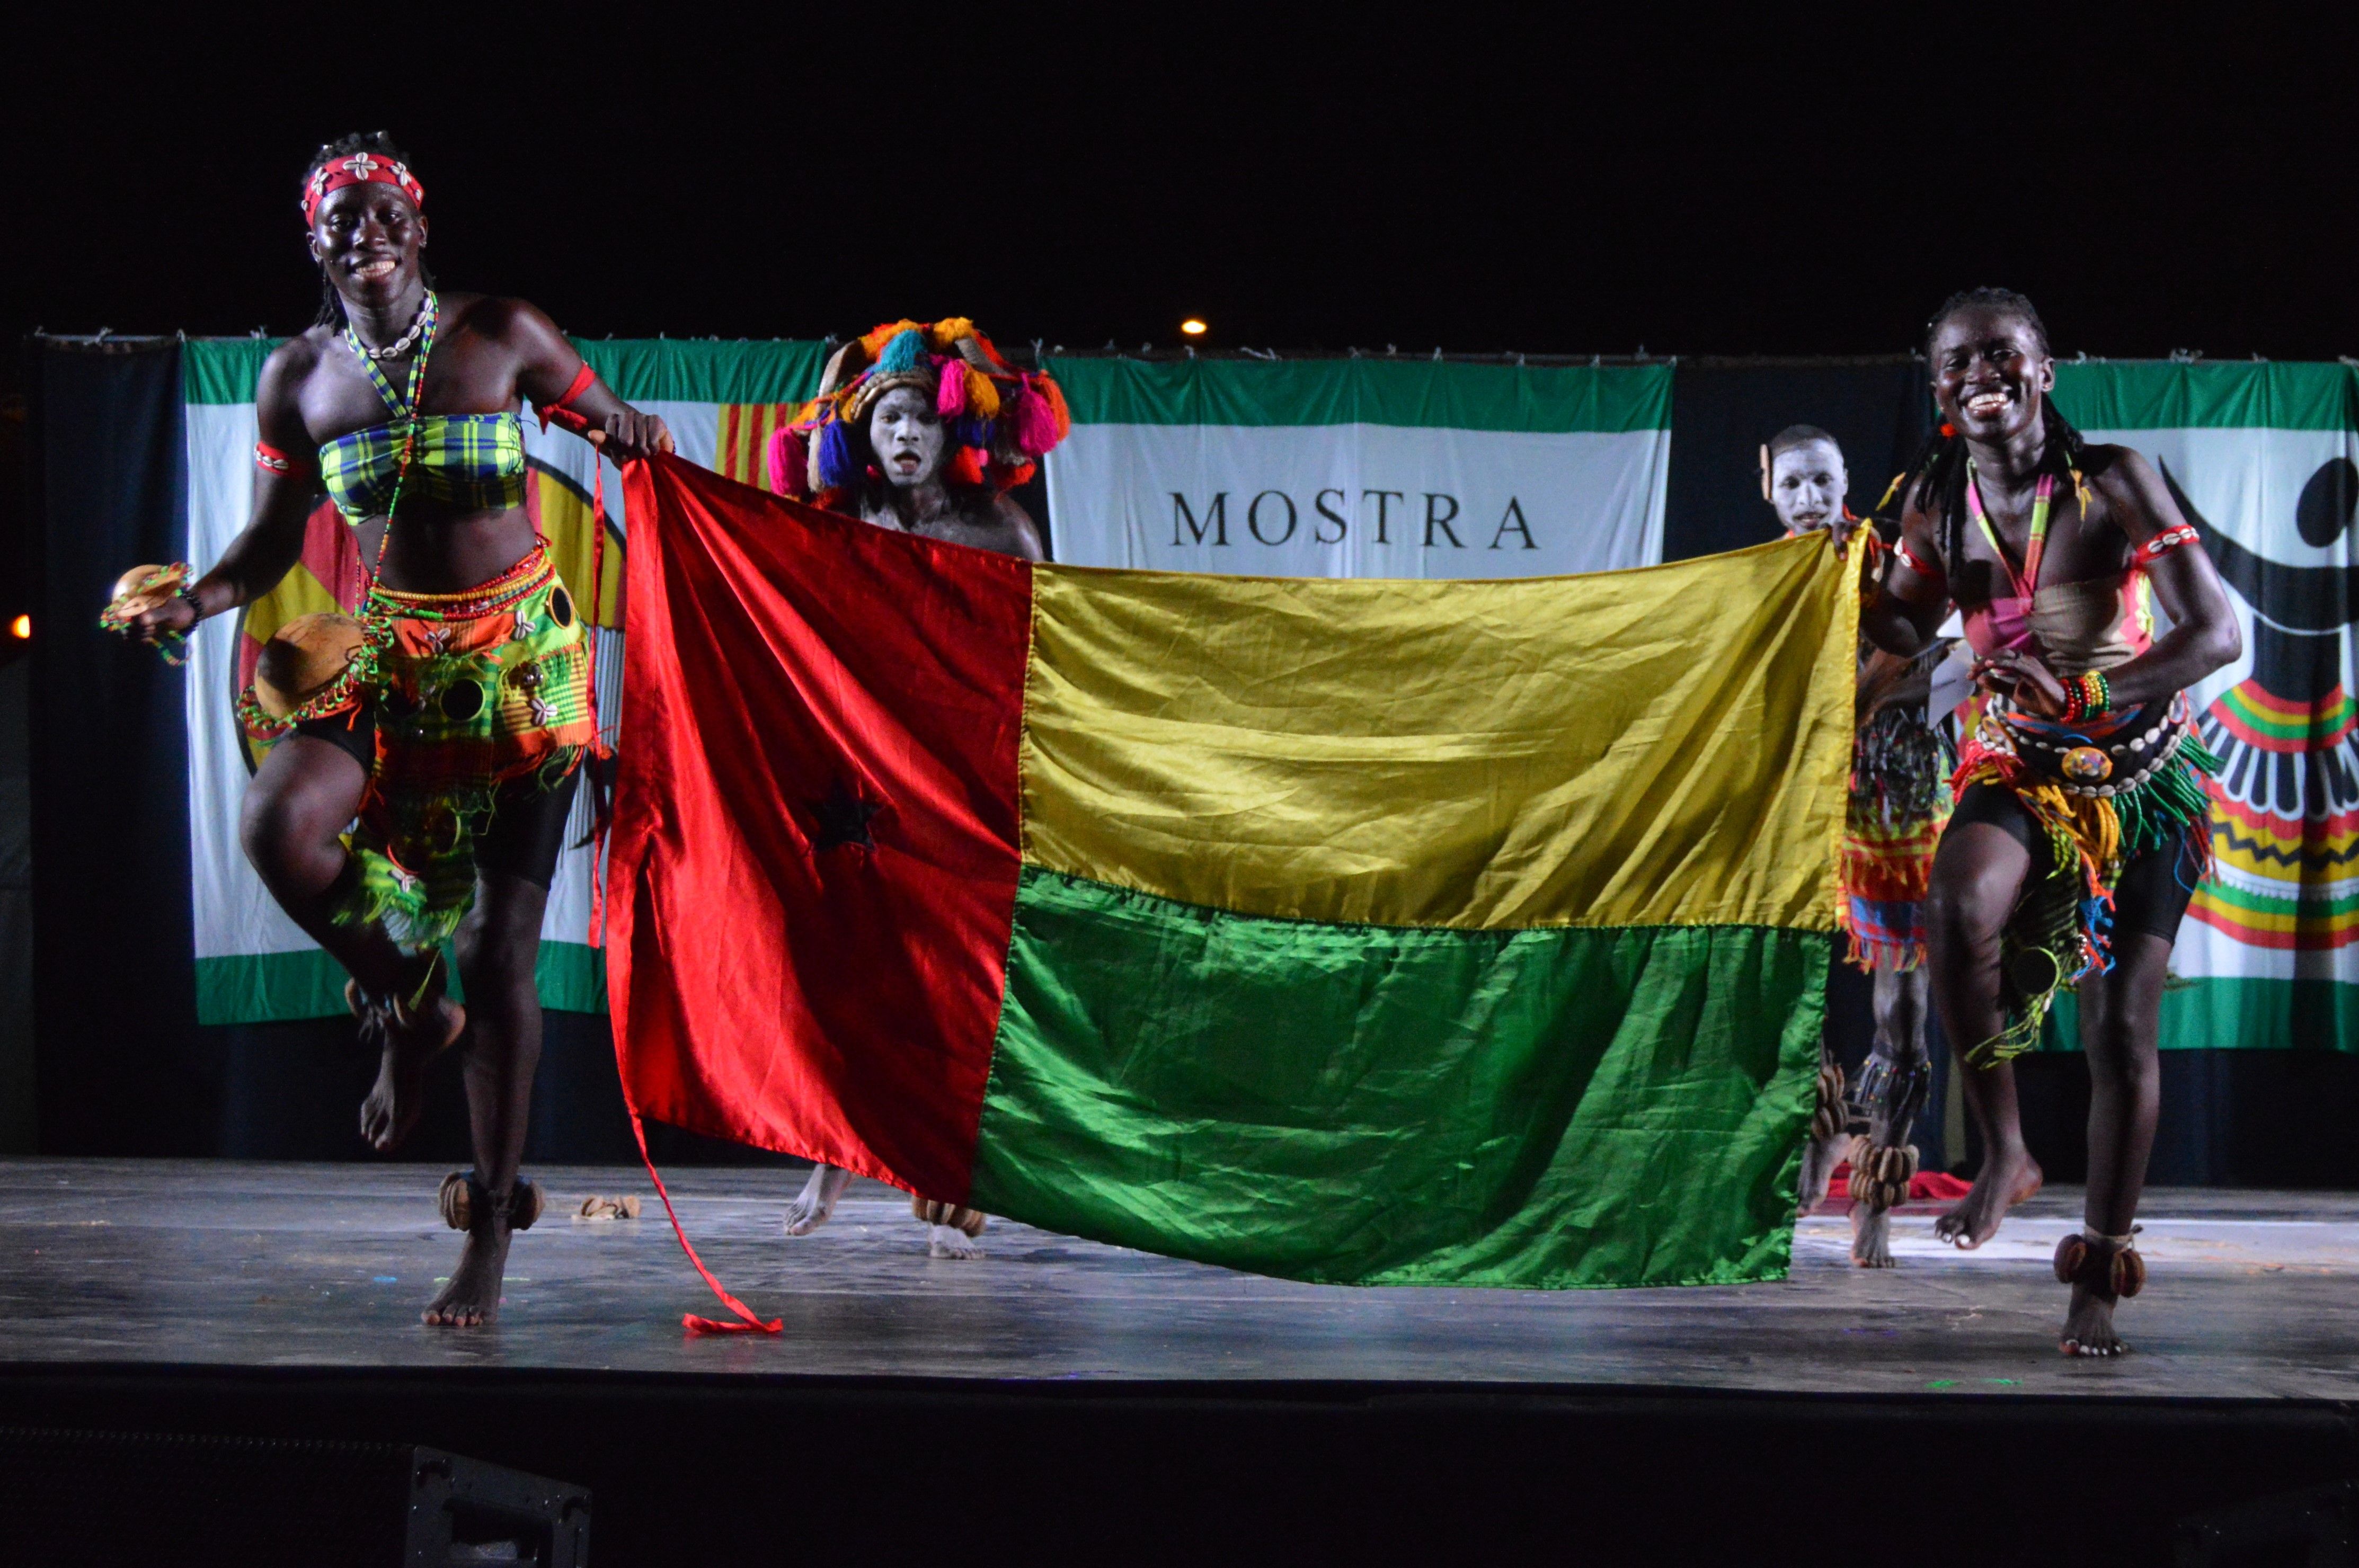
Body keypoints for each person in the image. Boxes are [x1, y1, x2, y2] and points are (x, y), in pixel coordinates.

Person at [102, 133, 672, 1326]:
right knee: (278, 826)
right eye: (337, 221)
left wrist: (635, 436)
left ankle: (490, 1231)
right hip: (390, 655)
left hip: (521, 667)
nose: (361, 233)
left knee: (508, 951)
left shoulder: (503, 332)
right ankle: (415, 1004)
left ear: (419, 232)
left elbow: (613, 422)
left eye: (381, 215)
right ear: (318, 245)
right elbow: (267, 548)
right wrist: (195, 600)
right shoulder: (298, 377)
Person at [1860, 288, 2239, 1355]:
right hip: (2021, 771)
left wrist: (2085, 697)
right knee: (1953, 907)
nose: (1981, 371)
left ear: (2045, 368)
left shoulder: (2112, 478)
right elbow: (1904, 616)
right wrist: (1845, 573)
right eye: (1958, 361)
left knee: (2120, 1028)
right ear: (1937, 387)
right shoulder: (1936, 497)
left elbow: (2216, 632)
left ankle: (2101, 1272)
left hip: (2141, 780)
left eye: (2001, 353)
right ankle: (2007, 1151)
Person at [763, 317, 1062, 1258]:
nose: (901, 437)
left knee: (957, 975)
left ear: (946, 429)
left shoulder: (997, 527)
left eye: (916, 421)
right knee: (858, 963)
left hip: (964, 774)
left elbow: (1046, 652)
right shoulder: (849, 526)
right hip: (865, 775)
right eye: (884, 420)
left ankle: (950, 1168)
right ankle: (837, 1152)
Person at [1767, 427, 1952, 1269]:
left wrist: (1870, 692)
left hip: (1898, 806)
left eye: (1822, 481)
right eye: (1793, 484)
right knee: (1801, 1000)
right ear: (1768, 487)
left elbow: (1943, 654)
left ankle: (1876, 1193)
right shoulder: (1759, 580)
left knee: (1903, 1017)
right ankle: (1821, 1133)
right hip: (1806, 808)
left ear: (1846, 481)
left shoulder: (1888, 558)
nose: (1808, 499)